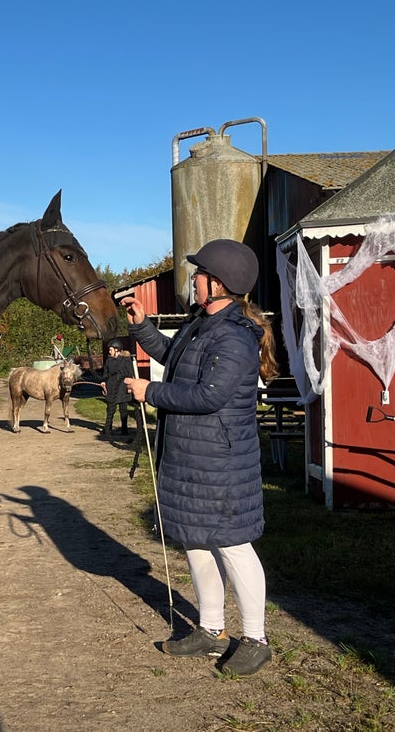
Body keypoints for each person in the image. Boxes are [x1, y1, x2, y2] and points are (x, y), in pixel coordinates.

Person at [123, 239, 278, 676]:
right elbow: (175, 359)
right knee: (195, 540)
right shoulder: (200, 325)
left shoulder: (235, 338)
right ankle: (211, 630)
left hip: (221, 463)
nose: (193, 280)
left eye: (199, 274)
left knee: (233, 546)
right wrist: (142, 327)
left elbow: (209, 396)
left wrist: (148, 392)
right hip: (192, 459)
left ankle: (256, 638)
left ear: (219, 284)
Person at [98, 340, 135, 437]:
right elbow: (105, 374)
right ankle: (108, 428)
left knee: (123, 410)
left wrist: (130, 386)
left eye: (111, 350)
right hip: (111, 388)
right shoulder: (108, 361)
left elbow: (130, 374)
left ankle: (124, 429)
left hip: (122, 387)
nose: (109, 352)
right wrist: (103, 382)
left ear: (116, 350)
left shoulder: (126, 360)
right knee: (110, 409)